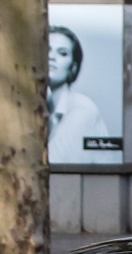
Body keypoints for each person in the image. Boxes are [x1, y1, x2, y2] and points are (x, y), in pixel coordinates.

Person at [45, 26, 106, 163]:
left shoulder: (83, 110)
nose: (51, 57)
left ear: (73, 67)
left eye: (62, 53)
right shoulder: (45, 107)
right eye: (47, 49)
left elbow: (54, 161)